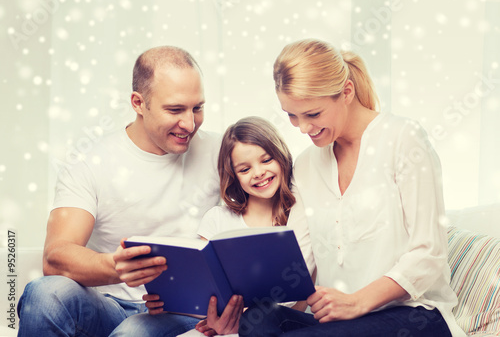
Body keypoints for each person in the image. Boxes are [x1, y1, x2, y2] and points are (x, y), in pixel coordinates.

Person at [239, 39, 467, 336]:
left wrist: (357, 302)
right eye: (292, 115)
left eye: (313, 114)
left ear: (346, 92)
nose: (303, 128)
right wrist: (240, 306)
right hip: (344, 324)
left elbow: (429, 254)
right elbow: (300, 259)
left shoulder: (403, 139)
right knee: (257, 320)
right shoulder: (307, 165)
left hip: (416, 315)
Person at [17, 45, 223, 337]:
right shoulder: (90, 162)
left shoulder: (222, 151)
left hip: (184, 313)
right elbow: (55, 256)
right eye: (175, 109)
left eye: (197, 108)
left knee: (131, 333)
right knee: (45, 293)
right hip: (109, 305)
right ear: (138, 103)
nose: (190, 124)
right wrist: (113, 266)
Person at [113, 116, 315, 337]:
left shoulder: (300, 215)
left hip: (272, 324)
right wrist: (168, 303)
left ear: (282, 156)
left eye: (266, 160)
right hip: (216, 323)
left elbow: (300, 300)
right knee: (133, 330)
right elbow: (203, 288)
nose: (258, 173)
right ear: (234, 176)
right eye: (244, 169)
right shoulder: (218, 219)